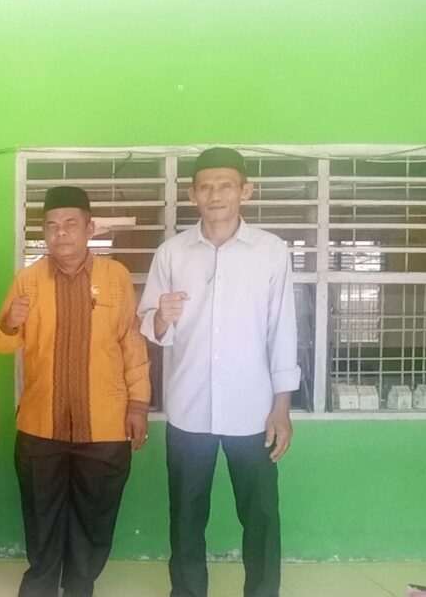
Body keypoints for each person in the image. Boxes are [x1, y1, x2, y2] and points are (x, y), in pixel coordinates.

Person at [137, 147, 299, 597]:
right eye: (205, 186)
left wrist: (281, 408)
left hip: (254, 411)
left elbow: (282, 330)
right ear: (192, 195)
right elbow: (148, 324)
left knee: (261, 515)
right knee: (186, 517)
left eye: (225, 185)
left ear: (246, 191)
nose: (215, 194)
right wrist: (162, 316)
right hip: (189, 409)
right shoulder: (172, 253)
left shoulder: (270, 251)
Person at [0, 186, 151, 597]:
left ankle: (80, 586)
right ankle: (41, 587)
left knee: (94, 520)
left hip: (105, 428)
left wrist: (138, 403)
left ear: (89, 229)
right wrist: (9, 322)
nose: (60, 232)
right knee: (41, 519)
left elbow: (132, 341)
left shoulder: (115, 277)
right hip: (41, 427)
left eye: (70, 224)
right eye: (52, 225)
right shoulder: (27, 281)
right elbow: (1, 343)